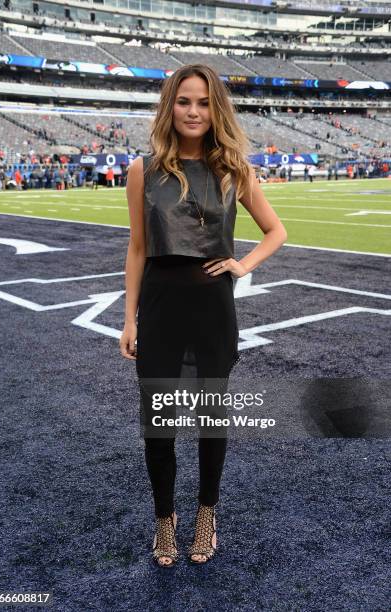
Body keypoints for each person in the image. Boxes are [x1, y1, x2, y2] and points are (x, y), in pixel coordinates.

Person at [119, 64, 287, 568]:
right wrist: (129, 319)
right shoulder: (141, 171)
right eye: (184, 101)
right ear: (170, 106)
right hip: (160, 307)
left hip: (213, 309)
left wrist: (242, 263)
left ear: (217, 110)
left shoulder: (234, 169)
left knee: (212, 421)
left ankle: (207, 516)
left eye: (203, 102)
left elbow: (276, 231)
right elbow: (137, 249)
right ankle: (165, 521)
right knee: (160, 424)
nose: (194, 111)